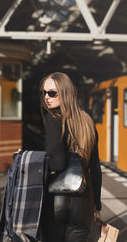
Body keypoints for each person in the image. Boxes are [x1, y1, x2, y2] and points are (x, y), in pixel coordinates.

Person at [39, 72, 102, 242]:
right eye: (44, 93)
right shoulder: (87, 122)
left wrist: (31, 158)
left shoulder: (52, 119)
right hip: (83, 203)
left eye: (52, 93)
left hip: (55, 201)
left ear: (65, 93)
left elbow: (57, 163)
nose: (46, 97)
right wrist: (97, 203)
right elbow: (95, 167)